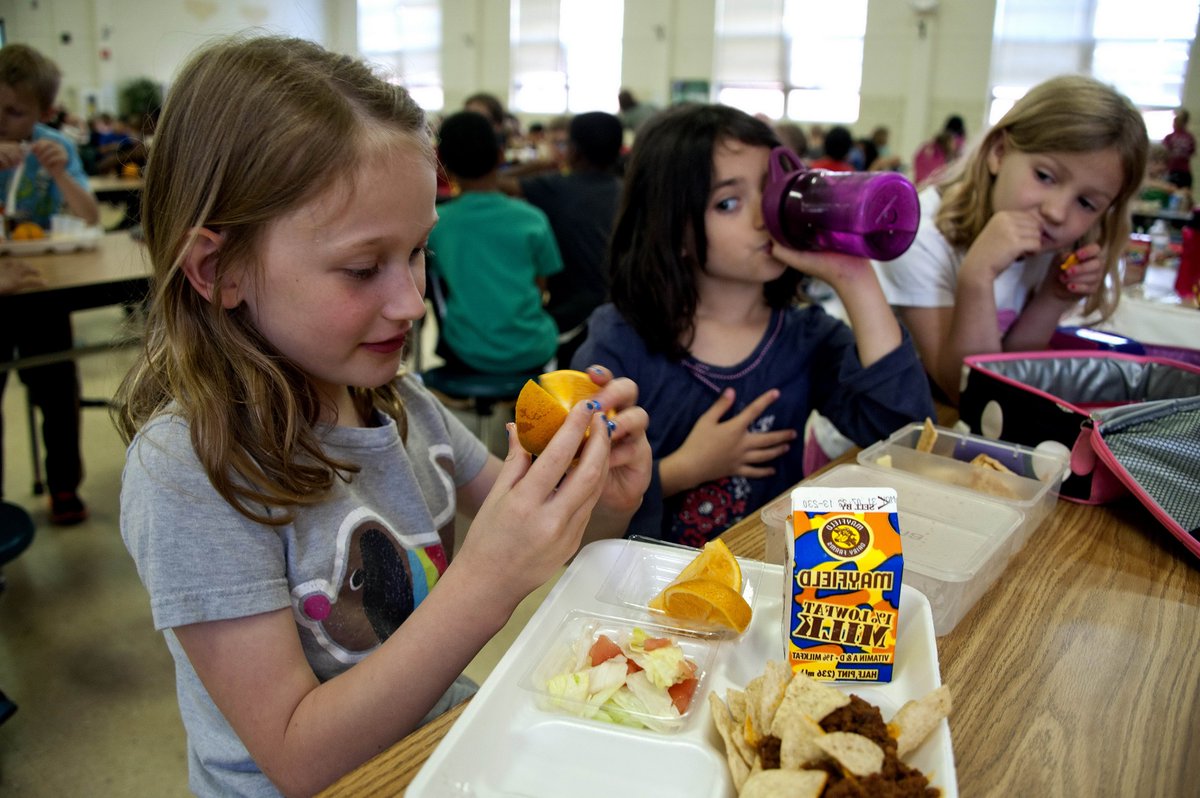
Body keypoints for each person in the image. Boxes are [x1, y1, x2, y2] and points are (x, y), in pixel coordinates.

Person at [113, 35, 651, 797]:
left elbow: (540, 543)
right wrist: (484, 582)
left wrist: (600, 498)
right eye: (364, 268)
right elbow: (297, 760)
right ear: (219, 270)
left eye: (418, 252)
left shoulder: (400, 401)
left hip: (437, 754)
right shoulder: (189, 470)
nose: (410, 301)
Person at [572, 104, 933, 546]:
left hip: (764, 587)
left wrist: (854, 277)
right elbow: (578, 501)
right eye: (728, 202)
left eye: (769, 191)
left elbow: (903, 438)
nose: (764, 217)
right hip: (646, 593)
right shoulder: (620, 342)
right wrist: (685, 469)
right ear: (670, 228)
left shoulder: (806, 337)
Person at [872, 75, 1148, 403]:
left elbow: (1010, 373)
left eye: (1086, 203)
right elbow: (966, 390)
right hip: (867, 438)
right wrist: (978, 276)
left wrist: (1053, 297)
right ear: (1000, 153)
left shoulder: (1047, 244)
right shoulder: (919, 233)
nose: (1057, 212)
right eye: (1044, 176)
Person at [0, 43, 100, 524]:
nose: (2, 121)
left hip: (40, 287)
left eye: (14, 112)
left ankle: (64, 485)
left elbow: (90, 216)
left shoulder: (52, 147)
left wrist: (61, 173)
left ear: (42, 113)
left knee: (58, 390)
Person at [430, 110, 564, 374]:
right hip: (531, 349)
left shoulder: (436, 225)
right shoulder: (532, 218)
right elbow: (541, 287)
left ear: (443, 165)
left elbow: (438, 283)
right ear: (501, 156)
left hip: (466, 350)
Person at [501, 111, 624, 366]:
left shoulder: (555, 187)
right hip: (619, 313)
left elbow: (492, 183)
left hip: (567, 316)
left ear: (573, 150)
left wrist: (543, 162)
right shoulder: (626, 192)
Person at [912, 114, 966, 187]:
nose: (954, 146)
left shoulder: (929, 146)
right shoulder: (937, 154)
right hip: (928, 185)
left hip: (921, 185)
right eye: (952, 143)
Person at [1162, 107, 1195, 189]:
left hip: (1178, 170)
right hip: (1177, 170)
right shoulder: (1189, 137)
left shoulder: (1171, 137)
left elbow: (1191, 152)